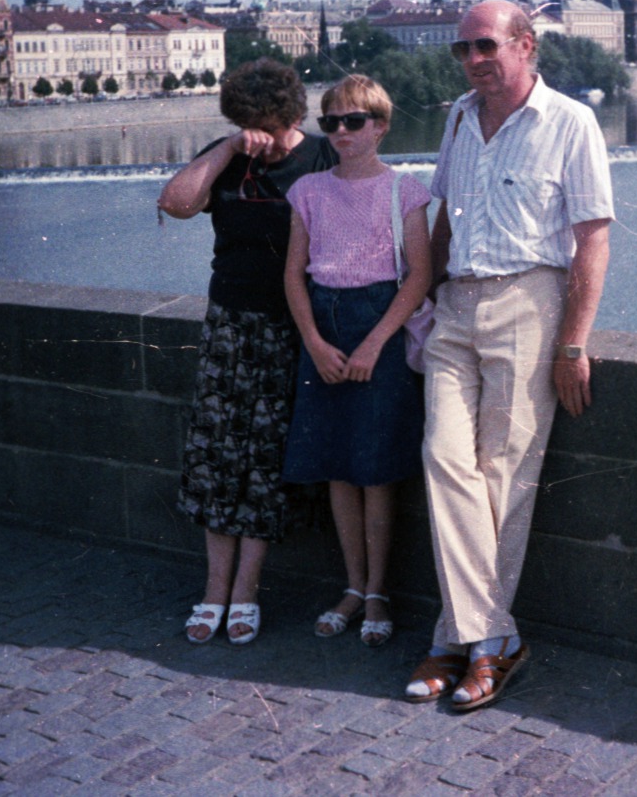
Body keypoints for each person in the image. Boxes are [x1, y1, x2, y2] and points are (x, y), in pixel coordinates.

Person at [405, 0, 614, 711]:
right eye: (462, 49)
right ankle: (493, 637)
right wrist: (424, 301)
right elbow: (439, 221)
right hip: (456, 305)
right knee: (442, 457)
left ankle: (460, 643)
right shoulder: (458, 117)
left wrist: (573, 341)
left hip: (530, 302)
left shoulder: (570, 122)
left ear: (525, 46)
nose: (471, 60)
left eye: (484, 46)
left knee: (504, 477)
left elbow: (591, 240)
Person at [158, 59, 338, 646]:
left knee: (263, 467)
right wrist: (228, 148)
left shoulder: (320, 158)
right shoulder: (230, 151)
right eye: (247, 122)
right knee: (215, 461)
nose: (261, 133)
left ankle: (245, 594)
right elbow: (177, 204)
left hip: (292, 328)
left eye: (267, 123)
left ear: (291, 116)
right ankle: (212, 591)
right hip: (229, 325)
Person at [281, 75, 432, 648]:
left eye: (354, 122)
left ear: (381, 126)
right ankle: (351, 584)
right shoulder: (310, 190)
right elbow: (293, 274)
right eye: (332, 123)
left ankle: (376, 590)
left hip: (380, 325)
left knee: (375, 466)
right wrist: (316, 343)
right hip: (325, 324)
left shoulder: (404, 190)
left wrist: (373, 344)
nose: (342, 132)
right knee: (339, 465)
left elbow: (418, 274)